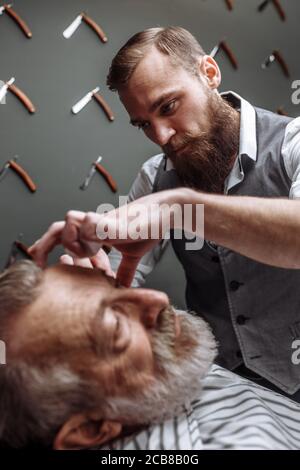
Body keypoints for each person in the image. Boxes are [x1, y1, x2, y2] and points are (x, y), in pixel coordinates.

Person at [29, 26, 300, 401]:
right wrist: (92, 283)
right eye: (143, 124)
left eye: (168, 107)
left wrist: (179, 208)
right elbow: (118, 272)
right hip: (221, 385)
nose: (160, 136)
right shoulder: (154, 177)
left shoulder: (292, 144)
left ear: (209, 73)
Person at [1, 256, 300, 450]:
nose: (157, 298)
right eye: (116, 327)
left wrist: (98, 298)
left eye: (117, 285)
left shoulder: (149, 384)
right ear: (90, 429)